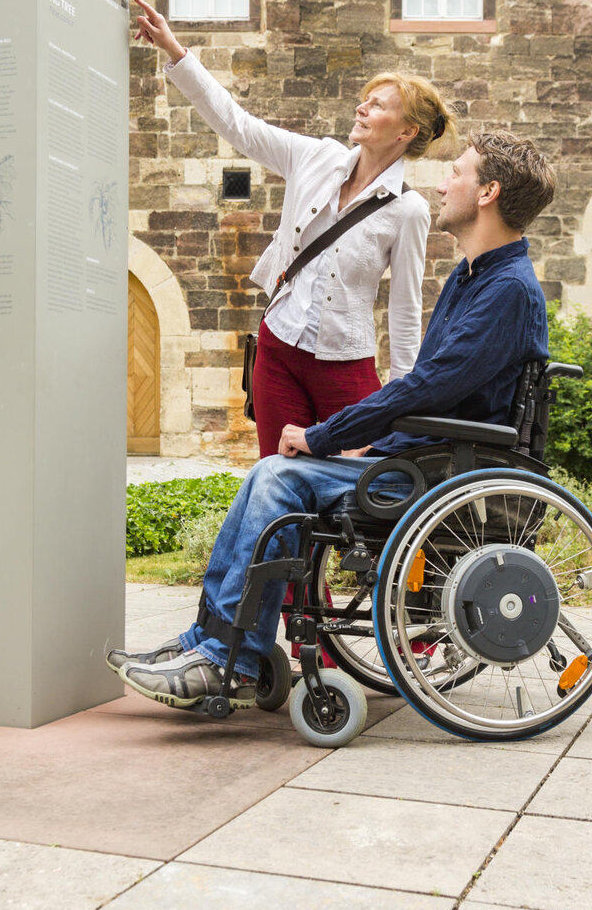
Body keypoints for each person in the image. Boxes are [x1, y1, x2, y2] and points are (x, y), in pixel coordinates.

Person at [108, 128, 556, 710]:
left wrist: (328, 434)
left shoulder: (506, 293)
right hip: (428, 458)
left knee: (279, 476)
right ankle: (209, 642)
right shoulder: (475, 279)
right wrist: (369, 449)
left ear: (489, 192)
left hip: (450, 473)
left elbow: (426, 387)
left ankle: (227, 656)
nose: (443, 183)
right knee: (274, 472)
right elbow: (436, 394)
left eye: (458, 173)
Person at [131, 0, 453, 456]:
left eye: (378, 105)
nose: (362, 108)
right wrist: (176, 53)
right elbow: (237, 125)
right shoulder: (315, 158)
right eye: (365, 100)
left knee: (360, 484)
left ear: (406, 133)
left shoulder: (408, 210)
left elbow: (404, 310)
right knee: (278, 478)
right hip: (277, 350)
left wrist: (400, 401)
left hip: (346, 364)